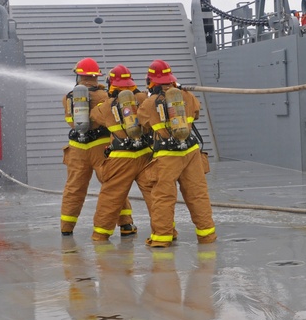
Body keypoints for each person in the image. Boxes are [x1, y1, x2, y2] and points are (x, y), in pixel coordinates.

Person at [135, 59, 217, 248]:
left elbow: (144, 125)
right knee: (198, 194)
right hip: (191, 152)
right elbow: (196, 113)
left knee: (163, 196)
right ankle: (207, 236)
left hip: (166, 155)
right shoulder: (187, 97)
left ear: (151, 81)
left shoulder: (148, 104)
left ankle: (162, 239)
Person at [60, 57, 136, 236]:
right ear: (96, 76)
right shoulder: (105, 96)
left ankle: (66, 228)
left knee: (74, 188)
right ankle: (125, 224)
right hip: (101, 147)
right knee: (113, 185)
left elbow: (70, 121)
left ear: (79, 76)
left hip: (77, 148)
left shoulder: (69, 97)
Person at [90, 65, 154, 241]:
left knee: (110, 196)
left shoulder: (107, 105)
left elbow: (95, 116)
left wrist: (106, 97)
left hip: (121, 158)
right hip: (146, 155)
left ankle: (101, 234)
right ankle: (166, 232)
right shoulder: (142, 98)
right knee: (155, 196)